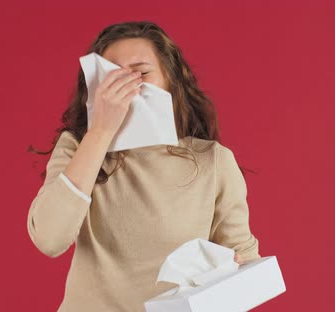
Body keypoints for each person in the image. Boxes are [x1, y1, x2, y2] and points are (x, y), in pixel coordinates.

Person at [26, 20, 261, 312]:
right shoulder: (76, 148)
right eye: (111, 76)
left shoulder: (212, 160)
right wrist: (100, 132)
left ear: (170, 83)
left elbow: (245, 266)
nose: (125, 85)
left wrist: (227, 278)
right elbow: (49, 238)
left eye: (141, 73)